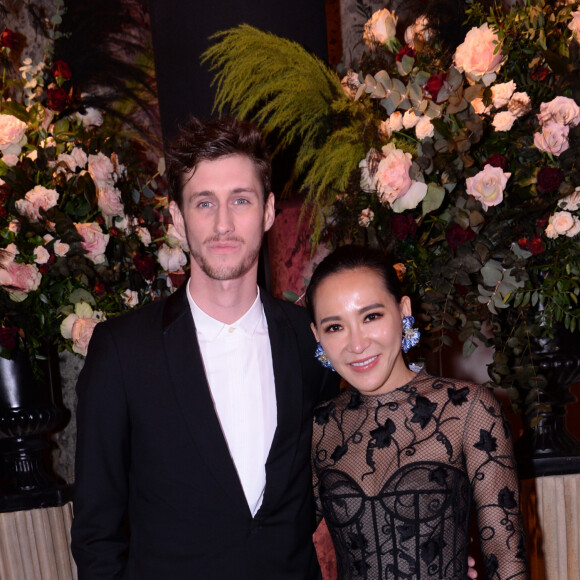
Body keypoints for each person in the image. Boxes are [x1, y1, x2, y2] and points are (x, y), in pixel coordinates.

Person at [70, 116, 339, 579]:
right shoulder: (122, 351)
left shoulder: (311, 340)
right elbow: (97, 532)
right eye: (203, 203)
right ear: (177, 217)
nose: (223, 224)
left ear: (270, 210)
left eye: (241, 200)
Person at [306, 245, 528, 580]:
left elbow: (506, 560)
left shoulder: (468, 409)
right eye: (335, 327)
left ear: (403, 309)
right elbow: (280, 542)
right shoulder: (319, 427)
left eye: (371, 316)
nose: (356, 344)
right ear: (317, 336)